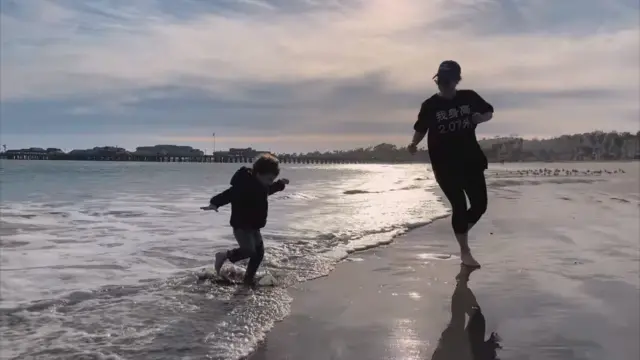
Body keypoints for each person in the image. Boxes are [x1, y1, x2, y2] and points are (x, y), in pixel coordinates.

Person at [408, 60, 494, 268]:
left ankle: (460, 230)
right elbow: (422, 128)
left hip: (471, 161)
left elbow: (489, 112)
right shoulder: (430, 106)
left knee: (480, 205)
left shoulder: (469, 97)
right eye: (440, 80)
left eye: (447, 81)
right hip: (444, 165)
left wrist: (479, 119)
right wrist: (413, 143)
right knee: (458, 205)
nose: (443, 85)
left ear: (457, 80)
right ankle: (465, 251)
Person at [201, 153, 289, 286]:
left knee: (258, 254)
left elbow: (269, 189)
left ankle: (248, 279)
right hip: (241, 225)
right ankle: (223, 255)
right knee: (248, 250)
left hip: (254, 225)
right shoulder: (244, 185)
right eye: (269, 179)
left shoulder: (262, 184)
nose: (270, 182)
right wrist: (214, 203)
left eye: (273, 179)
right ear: (258, 174)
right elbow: (229, 194)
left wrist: (280, 185)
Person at [431, 265, 502, 360]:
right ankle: (462, 283)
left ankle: (462, 283)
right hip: (466, 351)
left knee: (460, 320)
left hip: (457, 351)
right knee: (466, 318)